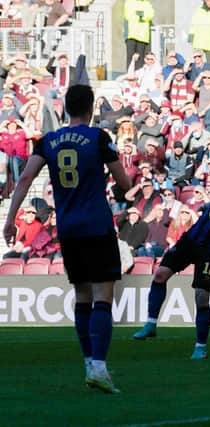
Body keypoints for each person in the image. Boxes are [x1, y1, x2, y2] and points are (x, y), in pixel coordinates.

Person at [3, 84, 132, 393]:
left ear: (67, 109)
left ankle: (89, 363)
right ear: (90, 109)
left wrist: (9, 219)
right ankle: (99, 367)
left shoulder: (48, 141)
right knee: (103, 295)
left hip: (69, 228)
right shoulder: (99, 138)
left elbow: (24, 179)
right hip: (97, 225)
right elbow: (125, 183)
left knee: (83, 296)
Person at [133, 167, 210, 360]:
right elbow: (209, 208)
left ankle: (200, 347)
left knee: (201, 297)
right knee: (160, 274)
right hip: (189, 241)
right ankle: (150, 324)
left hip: (209, 252)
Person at [123, 0, 154, 68]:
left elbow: (150, 15)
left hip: (143, 35)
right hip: (131, 35)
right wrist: (143, 15)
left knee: (140, 58)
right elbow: (129, 15)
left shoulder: (147, 3)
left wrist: (139, 15)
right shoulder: (129, 2)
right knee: (131, 58)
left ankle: (139, 77)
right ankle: (130, 75)